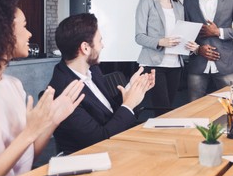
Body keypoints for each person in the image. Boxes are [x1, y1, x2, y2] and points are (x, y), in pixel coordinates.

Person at [0, 0, 84, 176]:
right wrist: (28, 133)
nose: (30, 34)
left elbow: (25, 162)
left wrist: (51, 121)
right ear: (2, 32)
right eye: (24, 26)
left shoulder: (13, 85)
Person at [49, 13, 155, 155]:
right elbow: (99, 140)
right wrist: (129, 104)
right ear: (85, 48)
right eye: (100, 41)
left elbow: (108, 111)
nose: (103, 46)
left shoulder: (92, 69)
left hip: (117, 148)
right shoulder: (63, 91)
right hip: (90, 161)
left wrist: (133, 87)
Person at [135, 0, 198, 116]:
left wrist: (191, 46)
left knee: (168, 109)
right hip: (154, 64)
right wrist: (161, 42)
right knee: (161, 109)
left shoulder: (179, 6)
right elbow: (139, 36)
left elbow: (182, 35)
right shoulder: (146, 2)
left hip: (175, 65)